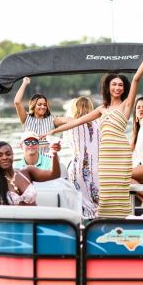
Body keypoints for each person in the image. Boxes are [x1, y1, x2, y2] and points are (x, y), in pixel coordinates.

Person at [39, 40, 143, 218]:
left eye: (120, 85)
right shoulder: (101, 109)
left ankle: (124, 224)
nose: (117, 87)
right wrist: (53, 131)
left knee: (120, 192)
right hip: (104, 157)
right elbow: (77, 121)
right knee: (105, 194)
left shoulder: (127, 105)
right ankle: (106, 225)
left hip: (121, 154)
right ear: (108, 87)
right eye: (114, 84)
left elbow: (136, 78)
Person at [0, 141, 61, 205]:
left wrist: (54, 153)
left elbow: (54, 174)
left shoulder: (26, 172)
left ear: (12, 155)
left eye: (8, 154)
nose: (4, 157)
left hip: (35, 221)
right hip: (10, 224)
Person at [63, 96, 101, 224]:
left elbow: (68, 143)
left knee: (79, 200)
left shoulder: (71, 124)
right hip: (97, 167)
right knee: (96, 200)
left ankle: (80, 230)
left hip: (78, 167)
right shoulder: (99, 122)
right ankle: (95, 229)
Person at [14, 77, 73, 156]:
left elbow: (69, 120)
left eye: (45, 105)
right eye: (39, 104)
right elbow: (17, 102)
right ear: (33, 105)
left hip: (49, 162)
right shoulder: (25, 118)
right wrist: (24, 83)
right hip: (32, 162)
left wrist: (54, 131)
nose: (43, 107)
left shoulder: (52, 120)